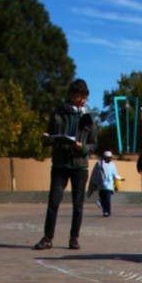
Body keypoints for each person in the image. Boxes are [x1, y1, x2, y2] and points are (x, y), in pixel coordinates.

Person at [33, 78, 98, 251]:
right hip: (60, 163)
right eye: (79, 96)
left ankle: (74, 238)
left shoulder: (88, 118)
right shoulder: (58, 113)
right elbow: (49, 134)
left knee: (78, 204)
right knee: (53, 202)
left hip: (79, 165)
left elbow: (93, 144)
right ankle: (47, 238)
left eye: (85, 97)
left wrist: (83, 148)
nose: (82, 100)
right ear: (71, 95)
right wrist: (46, 138)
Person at [96, 151, 123, 217]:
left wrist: (119, 179)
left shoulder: (112, 165)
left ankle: (107, 211)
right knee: (103, 199)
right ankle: (104, 210)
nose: (109, 159)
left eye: (110, 158)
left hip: (109, 185)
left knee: (107, 199)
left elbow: (115, 174)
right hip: (101, 185)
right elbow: (96, 174)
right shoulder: (99, 164)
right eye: (108, 158)